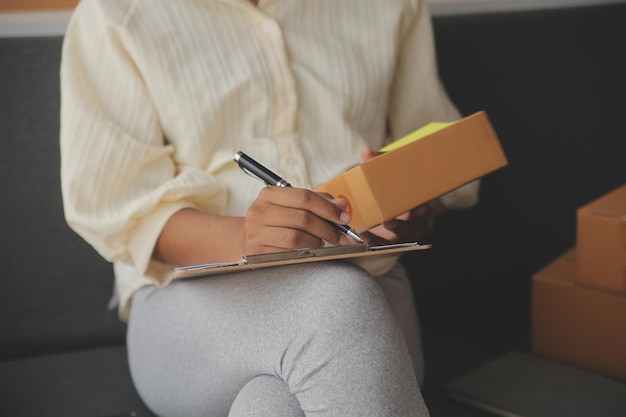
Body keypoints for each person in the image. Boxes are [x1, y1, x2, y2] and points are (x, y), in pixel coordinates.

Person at [60, 0, 479, 416]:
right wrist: (244, 237)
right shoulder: (116, 12)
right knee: (336, 303)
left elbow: (433, 152)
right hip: (190, 299)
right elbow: (117, 208)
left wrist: (401, 203)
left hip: (370, 284)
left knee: (271, 406)